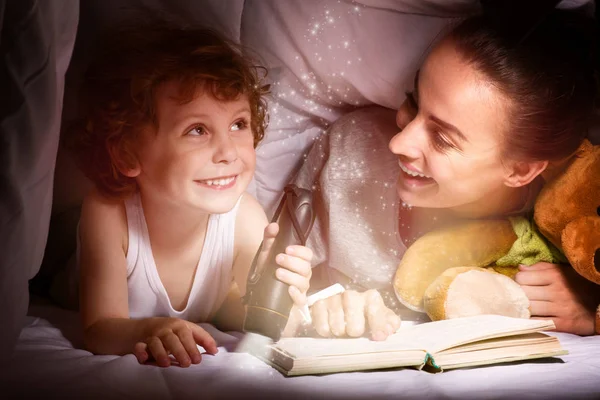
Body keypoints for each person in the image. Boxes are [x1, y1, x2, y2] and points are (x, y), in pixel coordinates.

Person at [296, 8, 600, 340]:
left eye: (442, 139)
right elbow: (257, 286)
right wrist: (314, 306)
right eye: (413, 102)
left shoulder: (570, 213)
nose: (400, 142)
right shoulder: (349, 152)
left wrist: (593, 308)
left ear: (520, 170)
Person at [65, 20, 313, 368]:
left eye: (238, 124)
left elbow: (268, 324)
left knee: (232, 305)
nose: (228, 152)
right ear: (126, 154)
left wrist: (285, 291)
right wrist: (151, 328)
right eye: (197, 130)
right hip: (63, 270)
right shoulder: (108, 212)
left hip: (213, 300)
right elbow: (99, 328)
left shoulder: (244, 218)